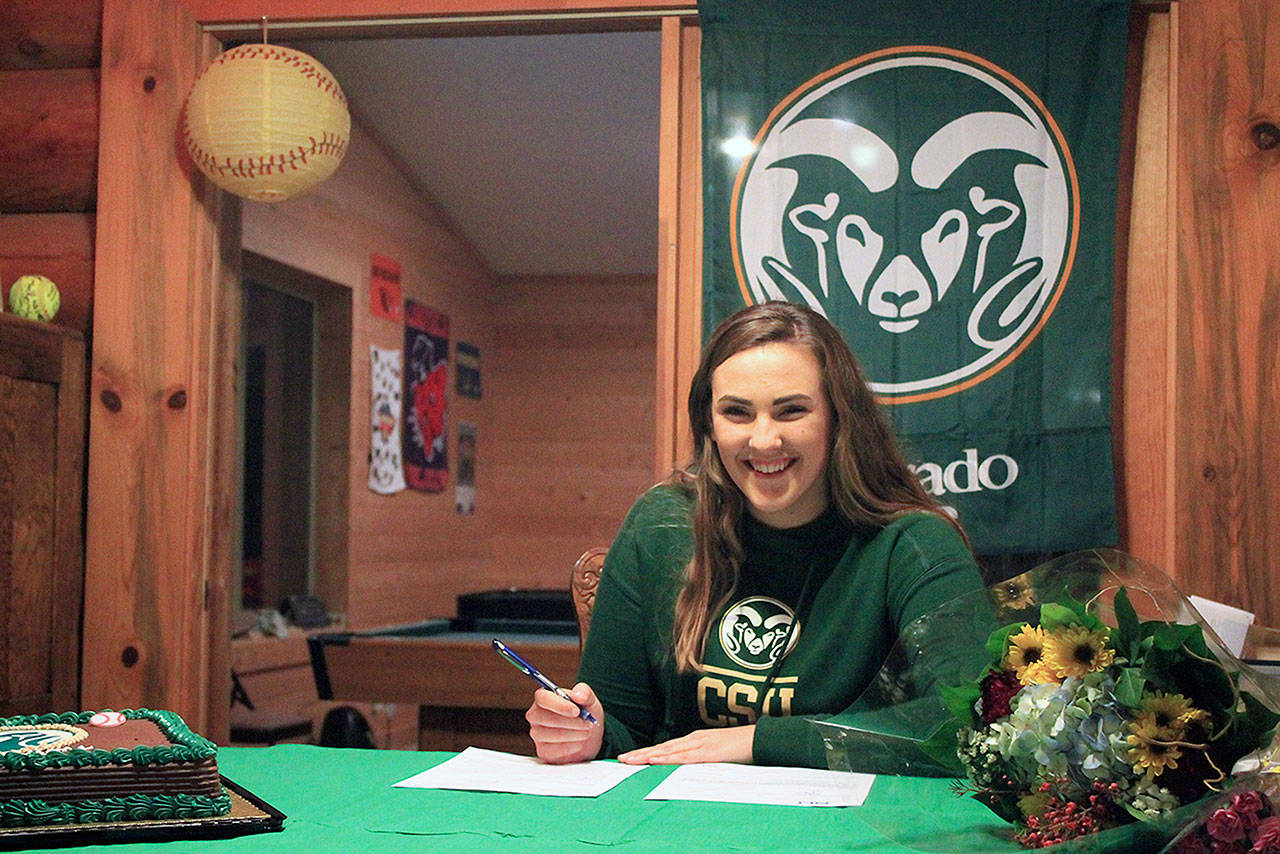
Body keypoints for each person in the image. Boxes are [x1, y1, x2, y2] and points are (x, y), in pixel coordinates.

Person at [525, 301, 986, 768]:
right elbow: (622, 731)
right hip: (679, 809)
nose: (764, 440)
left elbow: (974, 723)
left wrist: (759, 742)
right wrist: (586, 734)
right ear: (709, 424)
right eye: (737, 413)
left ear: (839, 417)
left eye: (791, 411)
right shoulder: (660, 526)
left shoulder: (913, 543)